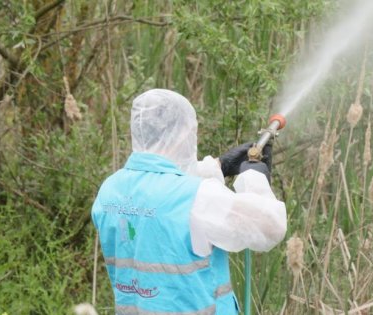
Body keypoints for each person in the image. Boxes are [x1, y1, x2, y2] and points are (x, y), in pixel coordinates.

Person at [91, 89, 287, 315]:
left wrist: (218, 166)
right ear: (182, 133)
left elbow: (162, 192)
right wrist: (254, 178)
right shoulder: (200, 197)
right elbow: (269, 227)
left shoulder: (110, 190)